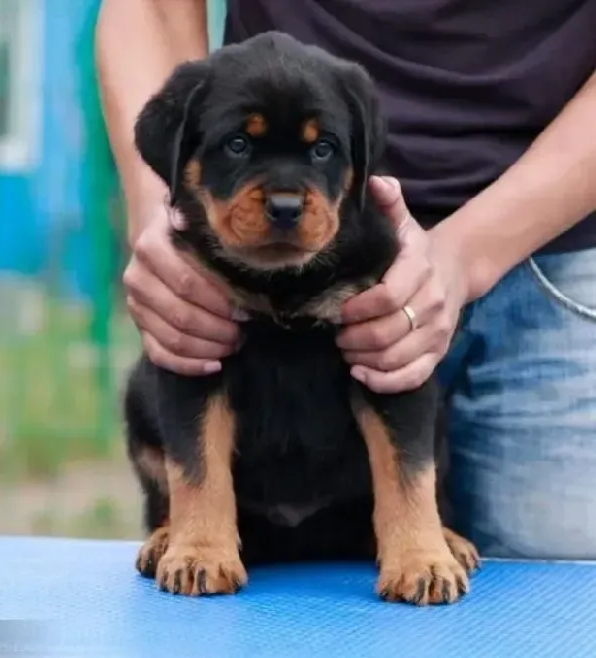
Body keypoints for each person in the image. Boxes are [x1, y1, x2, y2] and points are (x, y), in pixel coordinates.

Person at [95, 0, 596, 559]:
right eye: (240, 145)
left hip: (554, 247)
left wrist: (465, 254)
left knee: (559, 568)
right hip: (240, 251)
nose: (283, 196)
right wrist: (157, 212)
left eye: (322, 149)